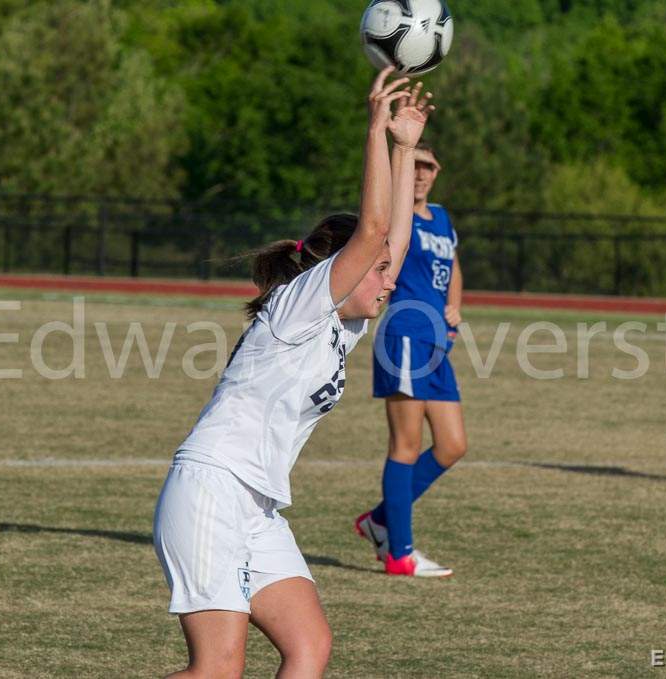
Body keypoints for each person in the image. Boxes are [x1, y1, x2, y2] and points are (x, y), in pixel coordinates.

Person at [152, 67, 433, 678]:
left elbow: (395, 244)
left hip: (256, 507)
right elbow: (378, 230)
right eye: (377, 269)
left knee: (310, 647)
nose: (389, 280)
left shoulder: (345, 324)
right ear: (338, 265)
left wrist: (406, 149)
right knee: (218, 671)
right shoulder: (304, 303)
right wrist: (375, 132)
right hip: (211, 491)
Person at [353, 140, 465, 577]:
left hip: (436, 343)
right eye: (415, 164)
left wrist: (454, 310)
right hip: (403, 337)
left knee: (453, 445)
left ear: (437, 172)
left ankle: (380, 519)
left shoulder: (441, 218)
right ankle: (399, 553)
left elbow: (453, 268)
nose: (420, 173)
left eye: (428, 166)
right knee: (406, 444)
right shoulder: (396, 219)